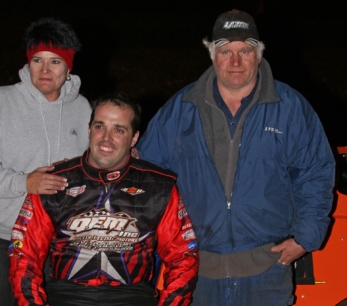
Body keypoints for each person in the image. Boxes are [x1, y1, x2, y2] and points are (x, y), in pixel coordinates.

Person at [135, 9, 335, 306]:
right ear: (212, 53)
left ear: (259, 53)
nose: (236, 61)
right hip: (197, 271)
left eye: (245, 50)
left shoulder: (290, 107)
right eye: (226, 51)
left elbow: (315, 172)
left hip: (267, 271)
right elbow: (149, 178)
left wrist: (307, 235)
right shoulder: (180, 109)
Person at [8, 93, 199, 306]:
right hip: (66, 295)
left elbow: (183, 256)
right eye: (100, 126)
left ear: (134, 138)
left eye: (119, 130)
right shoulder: (53, 181)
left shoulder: (158, 185)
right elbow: (23, 254)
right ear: (89, 130)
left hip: (132, 297)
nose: (106, 138)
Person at [0, 18, 91, 306]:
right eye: (37, 60)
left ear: (69, 67)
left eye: (55, 61)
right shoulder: (1, 100)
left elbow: (93, 168)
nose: (45, 70)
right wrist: (24, 183)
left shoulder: (83, 109)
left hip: (55, 244)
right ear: (28, 64)